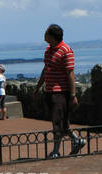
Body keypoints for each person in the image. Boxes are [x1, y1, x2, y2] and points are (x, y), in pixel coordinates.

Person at [33, 24, 86, 159]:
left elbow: (70, 73)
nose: (44, 36)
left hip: (61, 91)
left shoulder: (66, 50)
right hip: (50, 90)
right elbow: (46, 69)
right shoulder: (48, 50)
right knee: (61, 121)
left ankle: (56, 151)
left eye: (46, 33)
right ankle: (76, 140)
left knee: (58, 121)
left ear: (52, 36)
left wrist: (73, 95)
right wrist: (39, 86)